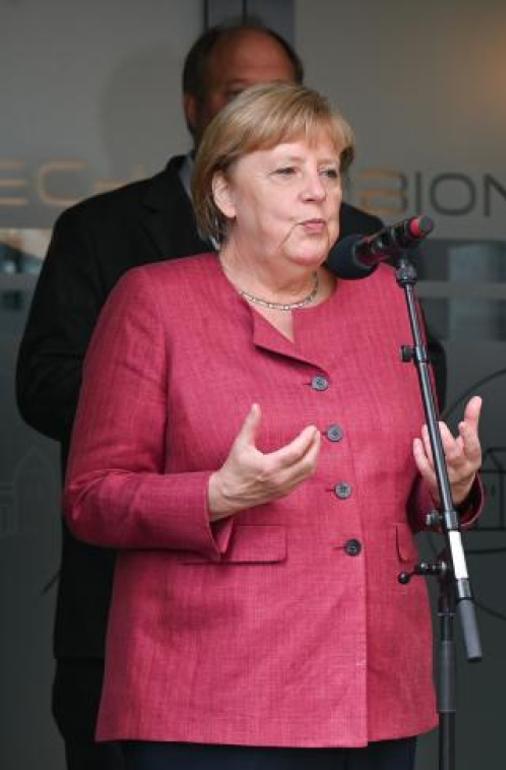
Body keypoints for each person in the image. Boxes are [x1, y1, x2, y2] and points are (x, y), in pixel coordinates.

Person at [13, 22, 434, 770]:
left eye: (331, 172)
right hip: (212, 688)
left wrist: (450, 486)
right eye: (288, 171)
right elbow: (93, 491)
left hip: (369, 686)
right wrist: (211, 491)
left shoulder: (381, 290)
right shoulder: (149, 294)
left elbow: (405, 460)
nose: (318, 191)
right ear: (223, 188)